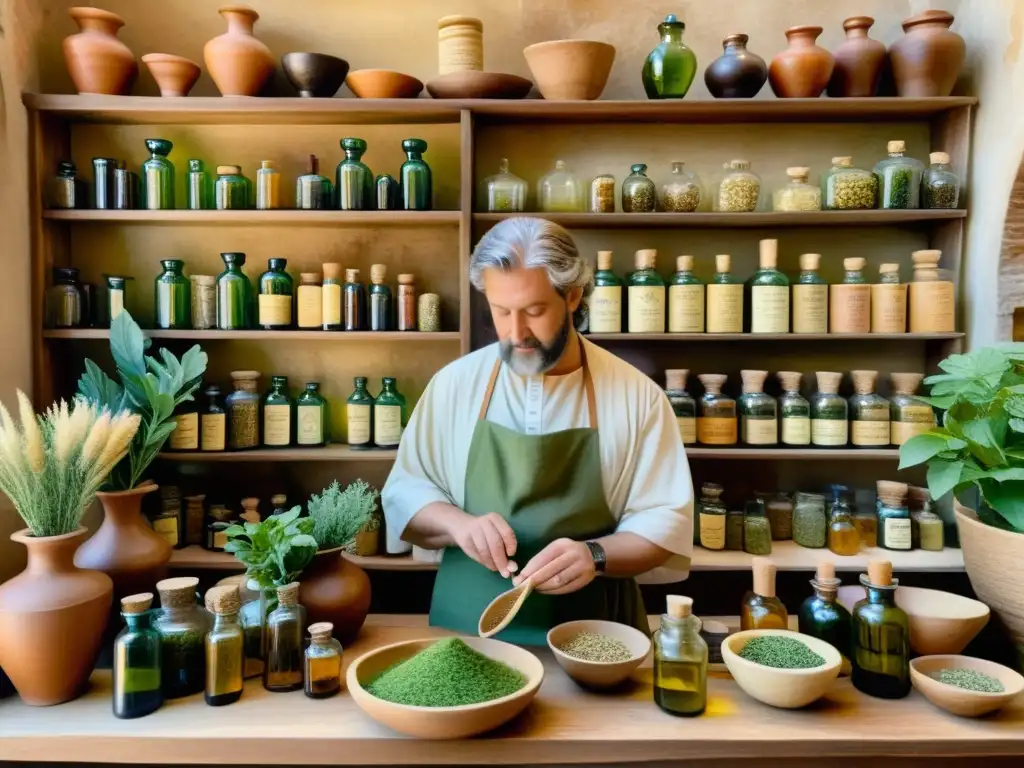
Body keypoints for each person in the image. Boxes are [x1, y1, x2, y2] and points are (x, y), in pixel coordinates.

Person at [381, 217, 694, 644]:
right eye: (501, 311)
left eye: (533, 310)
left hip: (593, 634)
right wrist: (458, 525)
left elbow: (664, 522)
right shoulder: (454, 385)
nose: (516, 333)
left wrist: (595, 555)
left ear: (573, 295)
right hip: (468, 630)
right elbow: (405, 493)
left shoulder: (638, 396)